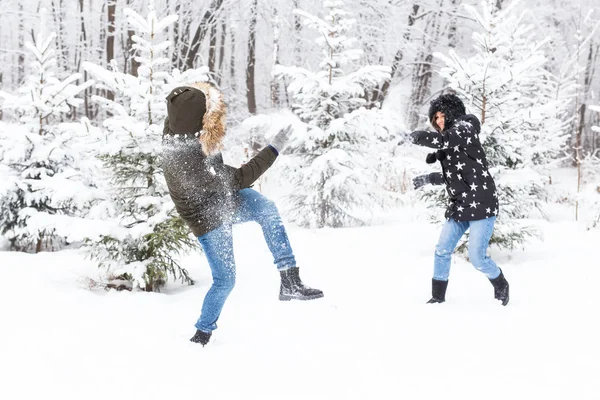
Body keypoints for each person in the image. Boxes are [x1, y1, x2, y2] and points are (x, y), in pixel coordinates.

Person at [161, 82, 324, 346]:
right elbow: (239, 178)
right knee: (225, 281)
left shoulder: (178, 126)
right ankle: (202, 334)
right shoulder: (184, 163)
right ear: (196, 120)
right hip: (207, 215)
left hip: (222, 193)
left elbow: (182, 102)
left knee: (267, 209)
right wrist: (275, 147)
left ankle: (290, 280)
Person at [409, 93, 509, 306]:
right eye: (435, 117)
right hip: (461, 205)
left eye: (442, 115)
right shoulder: (451, 142)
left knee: (477, 258)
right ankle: (437, 297)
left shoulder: (465, 129)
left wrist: (419, 137)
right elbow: (454, 177)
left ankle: (500, 283)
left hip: (481, 204)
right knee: (441, 250)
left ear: (453, 113)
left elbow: (444, 139)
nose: (439, 121)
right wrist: (428, 178)